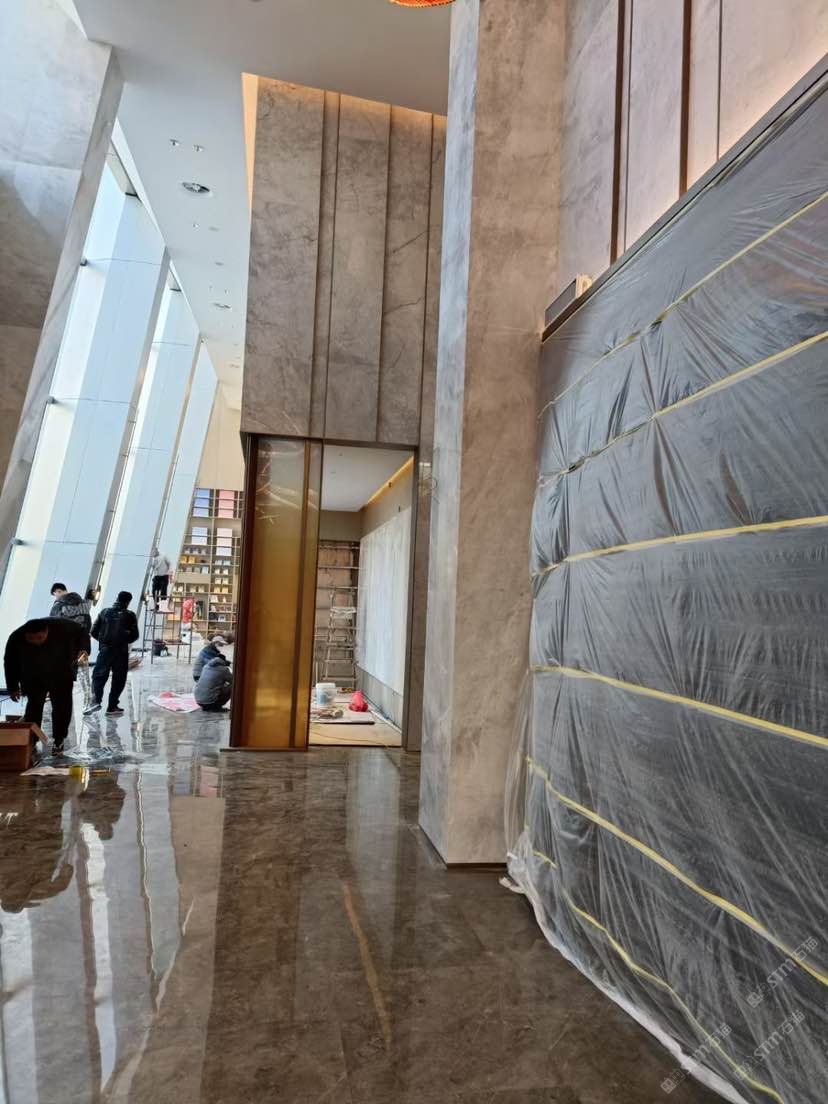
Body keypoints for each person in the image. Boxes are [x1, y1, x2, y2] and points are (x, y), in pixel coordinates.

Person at [3, 617, 90, 754]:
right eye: (31, 639)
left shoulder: (63, 626)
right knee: (33, 707)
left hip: (61, 672)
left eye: (39, 637)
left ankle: (59, 740)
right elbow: (10, 662)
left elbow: (82, 632)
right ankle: (32, 740)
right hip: (33, 676)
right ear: (25, 635)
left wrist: (84, 648)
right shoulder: (16, 637)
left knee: (62, 706)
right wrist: (12, 687)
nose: (36, 641)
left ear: (47, 631)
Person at [84, 591, 139, 717]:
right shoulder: (130, 615)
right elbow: (135, 635)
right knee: (119, 679)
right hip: (121, 652)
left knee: (99, 675)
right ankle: (112, 706)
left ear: (117, 598)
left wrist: (104, 641)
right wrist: (124, 640)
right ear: (128, 602)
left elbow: (93, 631)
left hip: (105, 650)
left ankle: (95, 701)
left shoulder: (104, 612)